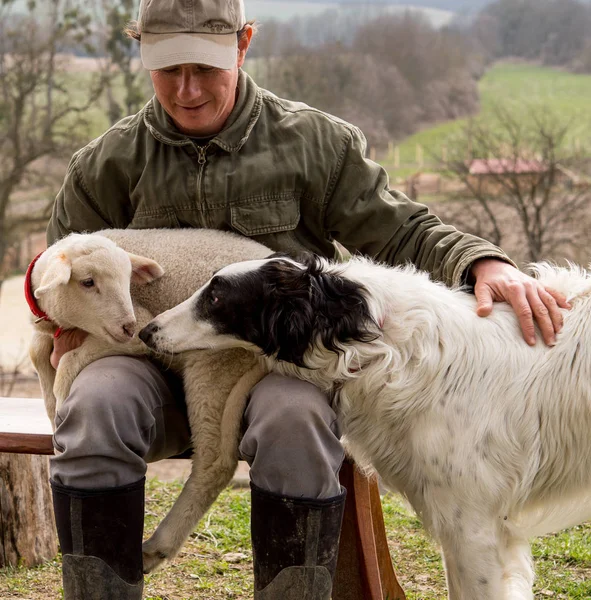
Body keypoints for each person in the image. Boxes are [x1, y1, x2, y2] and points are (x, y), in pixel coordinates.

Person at [45, 0, 569, 598]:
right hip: (150, 369)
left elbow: (401, 231)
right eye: (168, 69)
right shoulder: (104, 164)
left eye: (205, 68)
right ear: (140, 52)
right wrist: (56, 323)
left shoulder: (317, 143)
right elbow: (59, 272)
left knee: (294, 420)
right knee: (94, 405)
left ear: (243, 45)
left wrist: (483, 261)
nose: (186, 90)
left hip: (273, 374)